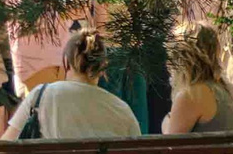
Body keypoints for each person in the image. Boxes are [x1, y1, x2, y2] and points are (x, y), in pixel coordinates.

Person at [9, 29, 140, 141]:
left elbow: (6, 146)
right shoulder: (121, 109)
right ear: (102, 68)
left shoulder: (40, 95)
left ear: (66, 61)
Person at [157, 24, 233, 135]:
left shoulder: (192, 95)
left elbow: (171, 141)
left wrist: (166, 122)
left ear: (181, 58)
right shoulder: (225, 89)